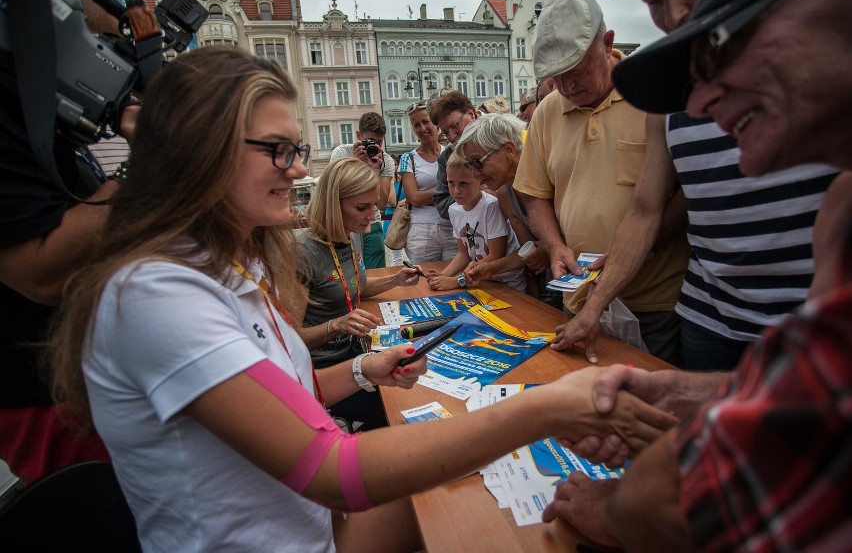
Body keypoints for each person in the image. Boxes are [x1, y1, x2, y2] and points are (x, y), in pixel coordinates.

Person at [46, 46, 677, 551]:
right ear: (198, 150)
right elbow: (329, 470)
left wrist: (357, 370)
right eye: (280, 150)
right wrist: (543, 411)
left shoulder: (218, 271)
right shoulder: (155, 296)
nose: (298, 170)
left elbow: (281, 400)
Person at [544, 0, 852, 550]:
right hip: (711, 314)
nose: (701, 99)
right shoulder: (840, 213)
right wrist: (704, 394)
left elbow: (777, 477)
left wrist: (617, 511)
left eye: (727, 45)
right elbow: (821, 395)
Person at [551, 0, 839, 370]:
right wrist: (594, 307)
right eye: (653, 1)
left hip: (815, 319)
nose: (674, 15)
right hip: (710, 319)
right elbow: (644, 211)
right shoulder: (666, 99)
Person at [0, 0, 140, 484]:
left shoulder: (45, 113)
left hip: (92, 380)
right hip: (54, 398)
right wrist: (149, 164)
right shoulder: (14, 109)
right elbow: (39, 274)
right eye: (102, 42)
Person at [512, 0, 691, 365]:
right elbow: (534, 194)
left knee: (651, 411)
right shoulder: (547, 112)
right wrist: (555, 246)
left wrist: (638, 247)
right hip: (577, 303)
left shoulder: (653, 96)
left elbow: (683, 195)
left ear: (606, 43)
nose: (567, 88)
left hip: (652, 305)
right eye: (555, 79)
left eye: (575, 73)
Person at [294, 157, 421, 430]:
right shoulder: (303, 253)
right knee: (399, 412)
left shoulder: (352, 233)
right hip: (324, 373)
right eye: (362, 207)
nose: (372, 216)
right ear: (333, 205)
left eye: (374, 206)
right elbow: (290, 340)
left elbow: (355, 287)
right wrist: (337, 325)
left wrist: (396, 278)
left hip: (356, 354)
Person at [454, 113, 561, 307]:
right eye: (470, 165)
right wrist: (489, 268)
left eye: (478, 162)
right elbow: (529, 251)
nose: (475, 173)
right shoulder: (505, 193)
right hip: (554, 283)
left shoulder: (551, 176)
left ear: (509, 150)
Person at [424, 152, 525, 292]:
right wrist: (443, 275)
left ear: (481, 181)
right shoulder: (453, 210)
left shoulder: (491, 206)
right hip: (482, 282)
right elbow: (463, 254)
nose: (456, 191)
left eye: (463, 184)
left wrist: (456, 280)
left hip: (508, 283)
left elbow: (497, 254)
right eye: (451, 183)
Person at [329, 112, 396, 269]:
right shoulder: (341, 153)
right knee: (346, 275)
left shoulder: (385, 160)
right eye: (370, 141)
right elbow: (334, 192)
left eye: (379, 142)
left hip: (370, 224)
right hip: (343, 227)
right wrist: (355, 163)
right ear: (359, 135)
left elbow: (381, 204)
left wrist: (373, 170)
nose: (374, 147)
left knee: (376, 272)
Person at [398, 100, 455, 263]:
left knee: (454, 279)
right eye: (416, 125)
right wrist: (449, 190)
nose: (422, 129)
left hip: (453, 226)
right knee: (423, 282)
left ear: (436, 123)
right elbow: (413, 197)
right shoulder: (407, 158)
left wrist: (428, 196)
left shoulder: (452, 153)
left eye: (425, 122)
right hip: (422, 232)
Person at [428, 89, 482, 220]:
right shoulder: (446, 158)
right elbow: (441, 204)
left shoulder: (499, 132)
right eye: (446, 132)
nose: (451, 137)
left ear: (470, 113)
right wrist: (475, 196)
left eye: (454, 126)